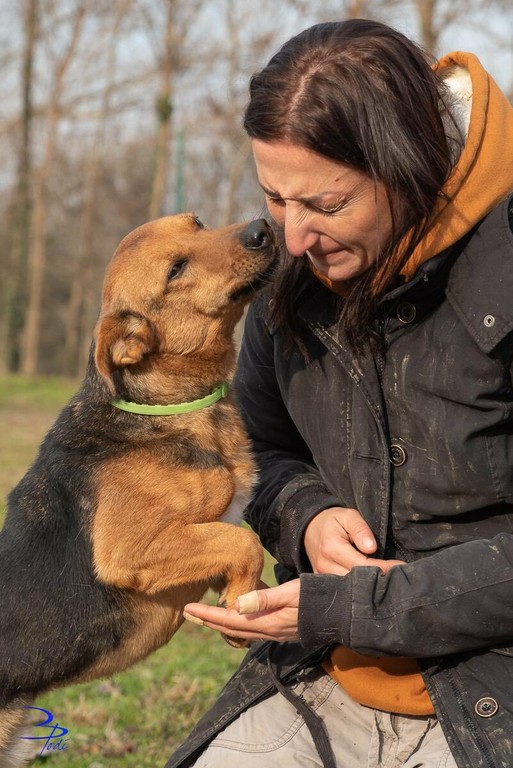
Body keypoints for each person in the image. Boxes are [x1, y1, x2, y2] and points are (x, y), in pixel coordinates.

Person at [166, 18, 513, 768]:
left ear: (410, 166)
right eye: (275, 198)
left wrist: (365, 606)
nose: (293, 239)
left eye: (326, 206)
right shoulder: (291, 277)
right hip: (328, 671)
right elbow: (263, 450)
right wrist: (306, 512)